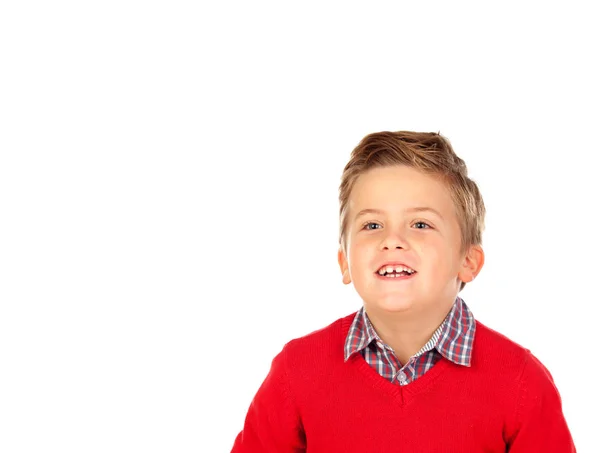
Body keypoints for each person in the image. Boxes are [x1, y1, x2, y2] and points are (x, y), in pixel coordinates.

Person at [230, 131, 576, 452]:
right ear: (345, 262)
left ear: (468, 261)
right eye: (372, 225)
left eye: (421, 224)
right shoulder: (297, 370)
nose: (391, 240)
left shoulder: (521, 382)